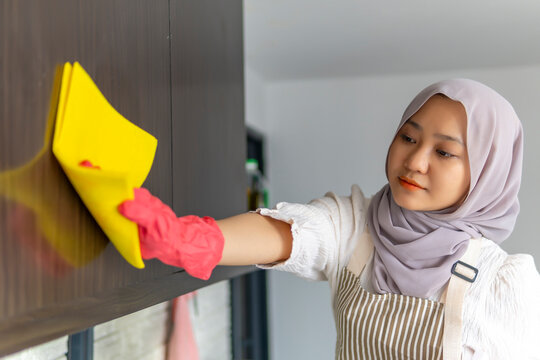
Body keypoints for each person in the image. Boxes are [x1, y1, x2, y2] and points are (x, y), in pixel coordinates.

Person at [118, 79, 540, 359]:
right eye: (408, 137)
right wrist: (196, 238)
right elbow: (298, 234)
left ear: (486, 173)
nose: (414, 160)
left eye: (444, 152)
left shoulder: (502, 282)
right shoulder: (358, 224)